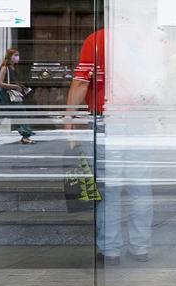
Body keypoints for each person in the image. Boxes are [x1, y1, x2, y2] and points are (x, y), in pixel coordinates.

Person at [65, 29, 153, 265]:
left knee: (109, 190)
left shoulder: (97, 40)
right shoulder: (148, 38)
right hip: (140, 121)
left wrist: (69, 118)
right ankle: (140, 247)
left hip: (107, 120)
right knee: (140, 188)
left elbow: (81, 83)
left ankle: (111, 250)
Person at [0, 48, 34, 145]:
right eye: (15, 55)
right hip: (4, 97)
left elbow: (12, 82)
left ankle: (25, 136)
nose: (17, 57)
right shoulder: (5, 67)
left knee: (21, 114)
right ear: (10, 56)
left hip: (12, 96)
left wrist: (21, 87)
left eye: (18, 55)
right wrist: (15, 86)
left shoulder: (13, 68)